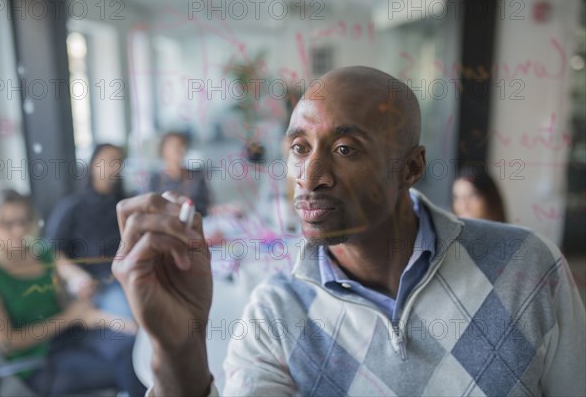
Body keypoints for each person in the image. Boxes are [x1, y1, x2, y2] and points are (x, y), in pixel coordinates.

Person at [112, 67, 586, 396]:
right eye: (299, 147)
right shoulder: (275, 315)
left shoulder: (527, 270)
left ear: (411, 167)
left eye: (344, 149)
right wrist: (181, 352)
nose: (310, 174)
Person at [0, 186, 146, 396]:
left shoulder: (39, 252)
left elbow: (69, 271)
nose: (19, 230)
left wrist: (81, 282)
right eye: (8, 224)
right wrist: (69, 317)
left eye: (24, 221)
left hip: (71, 335)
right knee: (129, 364)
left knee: (131, 346)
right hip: (39, 363)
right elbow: (8, 342)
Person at [45, 143, 133, 320]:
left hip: (132, 274)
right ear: (93, 164)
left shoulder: (128, 203)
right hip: (99, 283)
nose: (114, 167)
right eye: (108, 161)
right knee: (129, 317)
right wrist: (76, 276)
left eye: (118, 162)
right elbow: (53, 252)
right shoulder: (71, 207)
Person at [148, 131, 213, 217]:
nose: (180, 149)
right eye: (175, 145)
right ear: (163, 150)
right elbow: (151, 208)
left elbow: (209, 205)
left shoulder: (196, 176)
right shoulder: (154, 179)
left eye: (182, 145)